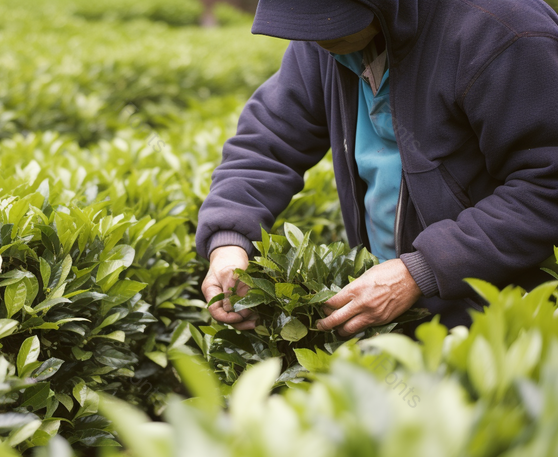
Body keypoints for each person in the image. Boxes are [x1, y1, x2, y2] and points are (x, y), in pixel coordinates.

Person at [196, 0, 558, 336]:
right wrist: (229, 240)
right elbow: (269, 140)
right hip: (392, 311)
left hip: (508, 321)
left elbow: (546, 187)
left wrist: (421, 270)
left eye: (332, 23)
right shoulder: (324, 39)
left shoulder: (505, 33)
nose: (317, 37)